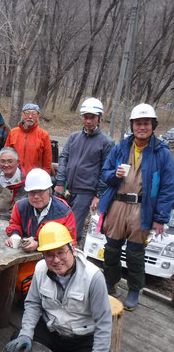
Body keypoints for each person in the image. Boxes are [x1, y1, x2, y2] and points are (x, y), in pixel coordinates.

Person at [98, 103, 174, 310]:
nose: (142, 127)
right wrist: (114, 175)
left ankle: (134, 290)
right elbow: (104, 174)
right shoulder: (120, 147)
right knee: (111, 248)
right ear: (132, 125)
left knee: (135, 253)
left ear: (153, 125)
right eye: (138, 123)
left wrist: (160, 218)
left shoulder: (162, 152)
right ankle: (109, 283)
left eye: (146, 123)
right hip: (117, 205)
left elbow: (168, 188)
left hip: (142, 208)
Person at [5, 222, 111, 352]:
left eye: (61, 252)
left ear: (72, 249)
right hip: (51, 331)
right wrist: (26, 333)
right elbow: (33, 304)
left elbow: (104, 322)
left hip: (83, 337)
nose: (56, 260)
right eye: (49, 254)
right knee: (17, 345)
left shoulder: (93, 277)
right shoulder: (40, 269)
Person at [54, 98, 114, 244]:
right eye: (86, 117)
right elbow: (64, 159)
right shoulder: (74, 137)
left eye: (92, 117)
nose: (88, 121)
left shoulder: (106, 142)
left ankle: (71, 254)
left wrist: (98, 195)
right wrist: (60, 182)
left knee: (73, 226)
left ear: (99, 118)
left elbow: (105, 171)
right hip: (66, 187)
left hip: (85, 191)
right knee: (55, 220)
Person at [6, 168, 76, 251]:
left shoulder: (64, 212)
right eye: (32, 192)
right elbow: (15, 224)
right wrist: (15, 235)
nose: (36, 196)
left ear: (49, 191)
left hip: (53, 256)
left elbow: (69, 243)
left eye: (40, 191)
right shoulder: (20, 206)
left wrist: (39, 244)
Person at [4, 103, 52, 174]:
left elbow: (47, 161)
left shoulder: (44, 135)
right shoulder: (13, 132)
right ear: (22, 115)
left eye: (34, 114)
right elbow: (6, 154)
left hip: (34, 176)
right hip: (14, 174)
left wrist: (45, 176)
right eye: (27, 113)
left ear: (38, 116)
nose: (30, 117)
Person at [0, 147, 27, 219]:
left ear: (17, 163)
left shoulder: (23, 181)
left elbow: (17, 208)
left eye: (10, 161)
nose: (6, 165)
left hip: (12, 219)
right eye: (3, 161)